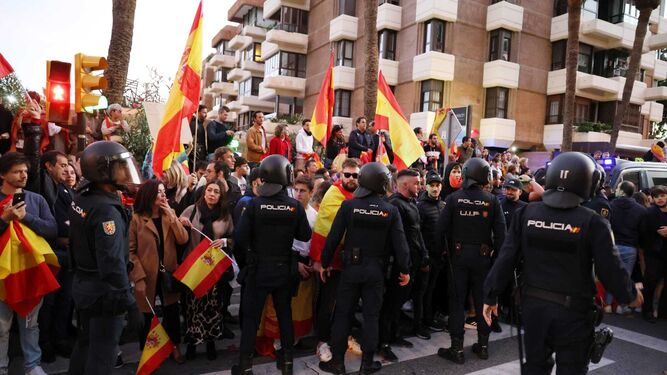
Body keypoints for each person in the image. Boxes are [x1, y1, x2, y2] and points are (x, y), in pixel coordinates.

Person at [482, 152, 643, 374]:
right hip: (573, 314)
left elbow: (506, 258)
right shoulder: (593, 222)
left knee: (535, 367)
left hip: (534, 308)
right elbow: (610, 268)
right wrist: (630, 296)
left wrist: (491, 295)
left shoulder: (526, 214)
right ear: (588, 182)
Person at [318, 163, 411, 375]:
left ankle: (338, 363)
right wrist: (405, 269)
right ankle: (366, 363)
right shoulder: (391, 210)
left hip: (351, 269)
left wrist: (325, 263)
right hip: (375, 272)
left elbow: (333, 238)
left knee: (343, 315)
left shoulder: (349, 206)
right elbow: (401, 245)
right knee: (371, 317)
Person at [233, 155, 312, 375]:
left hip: (258, 269)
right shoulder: (294, 205)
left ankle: (245, 366)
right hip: (284, 269)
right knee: (284, 315)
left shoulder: (254, 204)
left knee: (251, 318)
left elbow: (240, 236)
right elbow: (304, 235)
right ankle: (287, 363)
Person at [69, 142, 140, 374]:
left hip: (84, 285)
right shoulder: (106, 210)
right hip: (104, 294)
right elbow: (111, 262)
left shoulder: (82, 197)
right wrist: (129, 302)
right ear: (102, 171)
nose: (124, 171)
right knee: (102, 356)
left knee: (85, 345)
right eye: (119, 166)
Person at [437, 158, 505, 364]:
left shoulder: (454, 198)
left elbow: (440, 230)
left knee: (457, 302)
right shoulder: (492, 200)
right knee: (483, 300)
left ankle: (457, 349)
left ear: (467, 174)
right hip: (483, 259)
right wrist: (499, 262)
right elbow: (502, 235)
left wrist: (440, 253)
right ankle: (483, 346)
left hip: (457, 258)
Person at [0, 152, 56, 375]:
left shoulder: (36, 200)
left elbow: (52, 230)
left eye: (25, 171)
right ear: (3, 175)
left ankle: (32, 365)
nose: (23, 175)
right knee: (2, 326)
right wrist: (4, 220)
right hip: (3, 275)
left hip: (31, 271)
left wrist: (27, 218)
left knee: (30, 324)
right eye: (17, 171)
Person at [128, 180, 188, 362]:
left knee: (171, 313)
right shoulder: (136, 219)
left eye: (163, 191)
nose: (163, 195)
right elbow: (130, 252)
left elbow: (183, 239)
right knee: (146, 315)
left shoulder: (169, 214)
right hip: (147, 275)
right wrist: (138, 277)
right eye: (159, 192)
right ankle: (148, 353)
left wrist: (172, 215)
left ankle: (175, 346)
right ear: (149, 195)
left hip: (168, 272)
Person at [310, 158, 360, 363]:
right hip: (332, 261)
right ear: (341, 174)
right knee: (327, 304)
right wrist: (323, 260)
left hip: (353, 261)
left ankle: (342, 337)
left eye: (355, 175)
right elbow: (324, 230)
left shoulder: (361, 195)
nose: (350, 178)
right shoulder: (333, 194)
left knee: (347, 305)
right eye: (347, 174)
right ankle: (322, 342)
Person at [179, 180, 234, 360]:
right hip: (194, 268)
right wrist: (180, 222)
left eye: (216, 192)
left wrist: (224, 242)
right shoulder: (191, 210)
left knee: (212, 308)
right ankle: (193, 344)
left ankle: (210, 343)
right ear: (204, 193)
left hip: (212, 269)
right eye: (209, 190)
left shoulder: (225, 216)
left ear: (220, 196)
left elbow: (234, 238)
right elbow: (177, 234)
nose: (211, 194)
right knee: (192, 308)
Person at [381, 169, 429, 359]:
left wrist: (423, 256)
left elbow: (417, 233)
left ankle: (394, 335)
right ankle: (383, 342)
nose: (420, 186)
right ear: (405, 184)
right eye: (416, 183)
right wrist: (402, 266)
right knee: (391, 304)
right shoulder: (394, 205)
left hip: (413, 263)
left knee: (398, 303)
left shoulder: (411, 203)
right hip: (400, 267)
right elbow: (397, 240)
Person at [38, 151, 75, 361]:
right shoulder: (43, 187)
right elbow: (59, 225)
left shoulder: (65, 190)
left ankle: (60, 339)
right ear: (49, 167)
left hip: (67, 254)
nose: (65, 169)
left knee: (64, 299)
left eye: (67, 165)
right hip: (51, 253)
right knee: (49, 302)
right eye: (61, 165)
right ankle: (46, 343)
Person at [608, 181, 646, 314]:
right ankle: (622, 305)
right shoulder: (640, 210)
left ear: (622, 191)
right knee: (626, 277)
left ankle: (608, 304)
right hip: (630, 247)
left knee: (610, 274)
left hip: (613, 244)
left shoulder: (611, 206)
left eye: (618, 188)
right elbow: (642, 231)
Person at [417, 172, 448, 332]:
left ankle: (429, 317)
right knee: (423, 291)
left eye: (438, 185)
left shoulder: (443, 206)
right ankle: (422, 321)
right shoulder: (420, 206)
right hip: (426, 257)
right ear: (426, 186)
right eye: (432, 185)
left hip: (439, 256)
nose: (435, 188)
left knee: (432, 289)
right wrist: (424, 257)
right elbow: (418, 234)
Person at [642, 185, 667, 323]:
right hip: (654, 254)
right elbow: (648, 231)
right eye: (656, 197)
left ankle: (663, 312)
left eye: (662, 195)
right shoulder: (649, 213)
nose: (660, 199)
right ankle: (647, 311)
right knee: (650, 284)